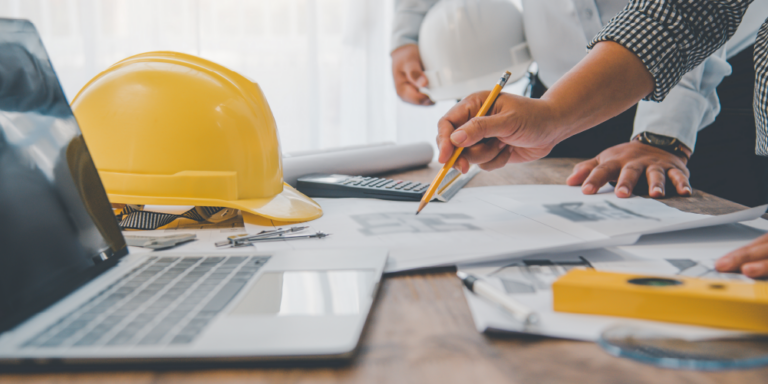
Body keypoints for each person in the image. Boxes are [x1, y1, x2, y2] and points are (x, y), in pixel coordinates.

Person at [433, 0, 768, 277]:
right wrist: (552, 114)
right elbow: (682, 12)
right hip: (579, 88)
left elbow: (693, 19)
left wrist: (663, 134)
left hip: (708, 92)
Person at [392, 0, 768, 206]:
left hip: (705, 97)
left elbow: (690, 13)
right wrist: (410, 28)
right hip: (562, 90)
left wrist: (664, 133)